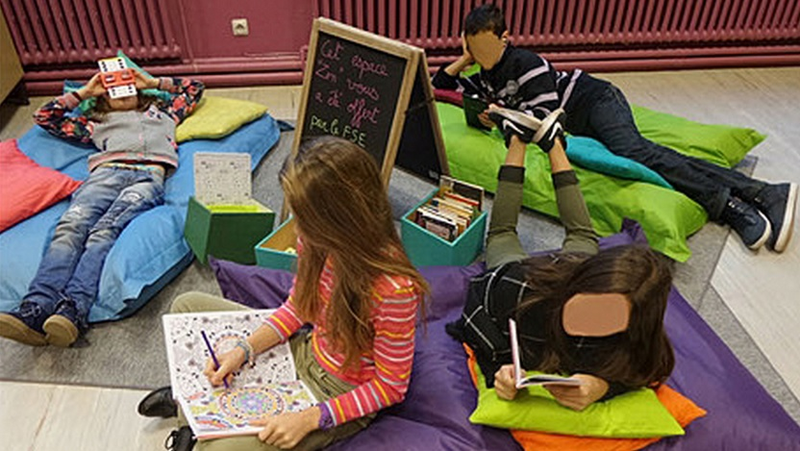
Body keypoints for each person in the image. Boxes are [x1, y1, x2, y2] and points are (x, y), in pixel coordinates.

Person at [138, 136, 429, 451]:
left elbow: (390, 386)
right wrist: (244, 349)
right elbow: (297, 308)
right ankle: (191, 412)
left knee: (220, 449)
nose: (297, 228)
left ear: (340, 221)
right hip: (304, 350)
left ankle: (190, 412)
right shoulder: (315, 243)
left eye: (305, 219)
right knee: (187, 306)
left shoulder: (393, 290)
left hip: (335, 394)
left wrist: (311, 419)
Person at [432, 3, 797, 253]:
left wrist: (501, 115)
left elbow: (543, 114)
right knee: (647, 153)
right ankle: (763, 192)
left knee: (634, 152)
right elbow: (441, 85)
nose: (482, 55)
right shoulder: (485, 75)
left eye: (485, 46)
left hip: (594, 100)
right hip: (581, 123)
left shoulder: (524, 62)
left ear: (506, 37)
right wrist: (466, 60)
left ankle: (730, 205)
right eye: (474, 48)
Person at [446, 111, 675, 411]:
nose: (588, 324)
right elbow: (476, 300)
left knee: (581, 235)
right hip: (547, 278)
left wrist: (601, 386)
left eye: (605, 319)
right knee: (503, 234)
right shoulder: (519, 289)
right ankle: (518, 141)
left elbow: (649, 368)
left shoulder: (635, 331)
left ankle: (552, 140)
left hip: (577, 267)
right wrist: (499, 368)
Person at [0, 70, 204, 347]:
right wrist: (85, 92)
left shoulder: (165, 112)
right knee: (70, 228)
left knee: (104, 231)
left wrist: (152, 83)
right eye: (112, 89)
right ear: (103, 98)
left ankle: (73, 309)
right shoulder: (95, 122)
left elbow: (194, 88)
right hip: (104, 174)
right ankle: (35, 307)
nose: (121, 91)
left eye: (128, 85)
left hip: (147, 176)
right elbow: (45, 117)